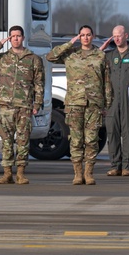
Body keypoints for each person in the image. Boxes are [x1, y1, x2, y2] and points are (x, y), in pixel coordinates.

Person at [46, 25, 112, 186]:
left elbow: (107, 82)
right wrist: (69, 43)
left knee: (91, 140)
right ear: (79, 37)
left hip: (94, 105)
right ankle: (77, 173)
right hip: (75, 103)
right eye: (82, 35)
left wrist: (107, 104)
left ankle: (89, 173)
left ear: (93, 36)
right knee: (75, 140)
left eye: (88, 35)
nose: (86, 38)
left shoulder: (100, 56)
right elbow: (51, 56)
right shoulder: (71, 54)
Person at [0, 25, 44, 185]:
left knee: (23, 141)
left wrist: (37, 104)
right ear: (9, 38)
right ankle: (7, 173)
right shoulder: (3, 58)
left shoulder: (33, 59)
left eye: (18, 36)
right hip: (6, 106)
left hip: (24, 106)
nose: (16, 39)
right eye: (13, 36)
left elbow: (39, 84)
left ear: (23, 38)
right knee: (6, 141)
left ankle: (21, 173)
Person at [99, 25, 129, 177]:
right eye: (114, 36)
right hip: (111, 101)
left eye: (119, 35)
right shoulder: (108, 56)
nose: (117, 38)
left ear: (126, 35)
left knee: (128, 133)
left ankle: (127, 166)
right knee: (112, 132)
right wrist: (102, 48)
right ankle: (115, 165)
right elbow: (92, 60)